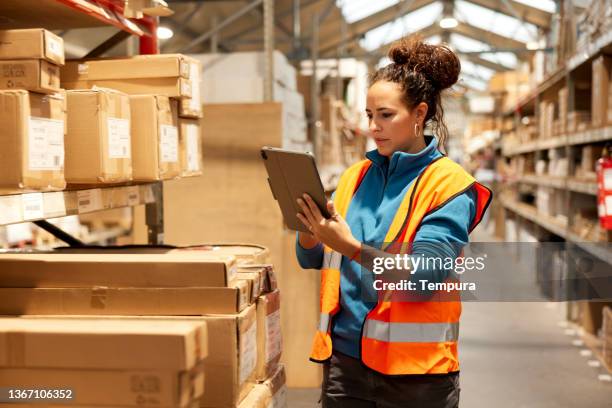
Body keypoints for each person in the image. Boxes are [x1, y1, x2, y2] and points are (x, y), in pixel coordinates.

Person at [295, 36, 492, 408]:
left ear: (419, 114)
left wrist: (350, 247)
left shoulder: (449, 185)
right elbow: (312, 259)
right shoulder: (355, 176)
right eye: (370, 115)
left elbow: (423, 278)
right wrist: (311, 232)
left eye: (386, 115)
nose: (374, 126)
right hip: (345, 363)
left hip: (415, 375)